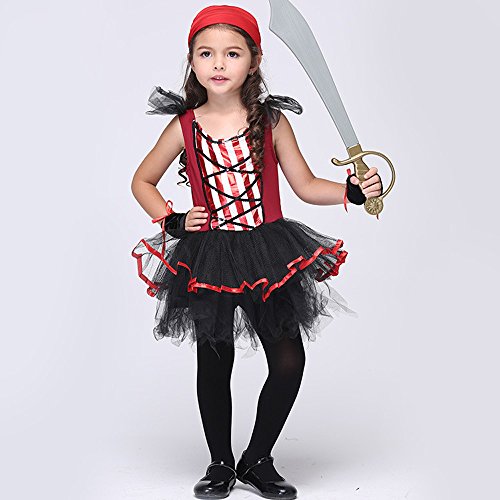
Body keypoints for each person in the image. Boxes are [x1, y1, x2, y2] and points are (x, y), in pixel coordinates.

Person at [130, 5, 382, 499]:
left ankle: (257, 459)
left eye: (232, 53)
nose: (218, 63)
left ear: (254, 61)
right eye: (206, 53)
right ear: (192, 61)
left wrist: (351, 192)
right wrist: (172, 219)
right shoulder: (184, 125)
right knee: (215, 359)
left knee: (288, 361)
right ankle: (220, 464)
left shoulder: (270, 121)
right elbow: (142, 181)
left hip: (269, 253)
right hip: (210, 257)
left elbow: (305, 185)